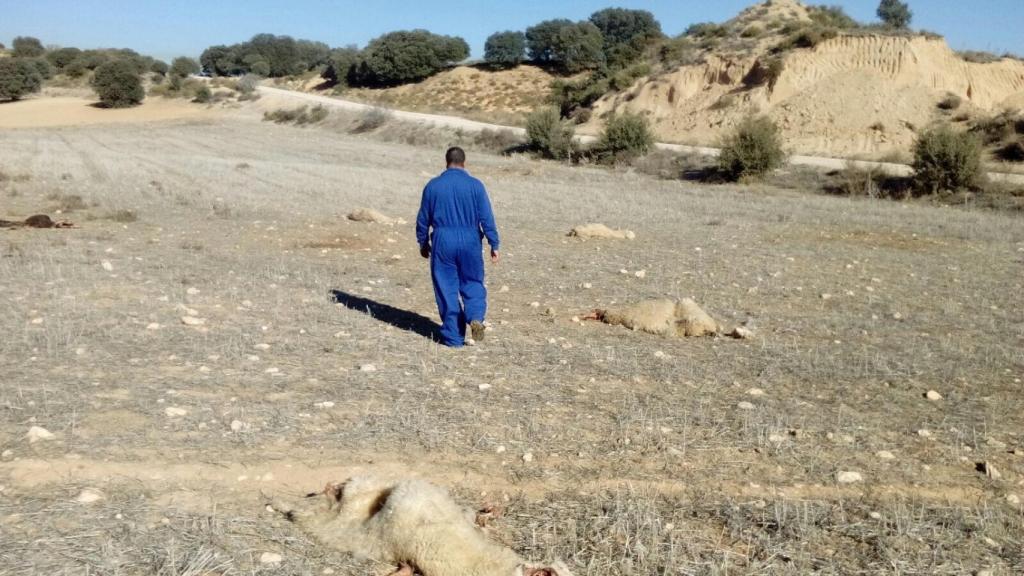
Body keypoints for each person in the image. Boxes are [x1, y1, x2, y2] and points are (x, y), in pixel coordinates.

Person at [415, 147, 500, 348]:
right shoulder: (476, 186)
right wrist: (493, 243)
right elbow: (486, 217)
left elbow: (422, 219)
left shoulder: (433, 186)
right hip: (470, 239)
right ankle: (475, 316)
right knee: (472, 281)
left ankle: (454, 338)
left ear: (446, 162)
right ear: (464, 162)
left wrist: (423, 242)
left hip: (443, 240)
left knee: (446, 287)